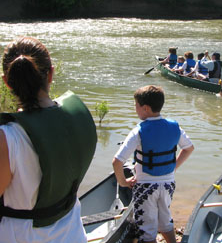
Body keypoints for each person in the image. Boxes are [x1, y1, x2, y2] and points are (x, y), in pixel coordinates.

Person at [0, 37, 97, 243]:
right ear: (50, 74)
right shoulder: (77, 117)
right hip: (73, 234)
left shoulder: (8, 138)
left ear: (6, 81)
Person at [112, 85, 194, 243]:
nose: (135, 109)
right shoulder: (174, 126)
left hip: (145, 186)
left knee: (147, 228)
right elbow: (189, 148)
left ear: (146, 108)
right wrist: (173, 167)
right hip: (168, 183)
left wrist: (123, 182)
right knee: (165, 220)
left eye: (136, 106)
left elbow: (117, 161)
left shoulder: (139, 131)